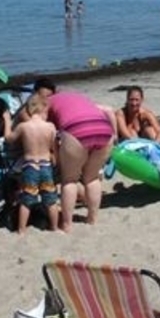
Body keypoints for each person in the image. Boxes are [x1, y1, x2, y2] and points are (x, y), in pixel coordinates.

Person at [39, 86, 116, 232]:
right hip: (104, 129)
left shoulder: (48, 102)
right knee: (92, 178)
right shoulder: (82, 98)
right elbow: (107, 111)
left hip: (77, 129)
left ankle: (67, 224)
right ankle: (92, 218)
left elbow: (45, 128)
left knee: (70, 180)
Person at [2, 93, 60, 234]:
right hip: (46, 166)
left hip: (30, 167)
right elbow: (54, 148)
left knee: (27, 199)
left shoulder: (24, 126)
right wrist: (56, 162)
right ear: (43, 109)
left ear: (29, 110)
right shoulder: (51, 127)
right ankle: (54, 227)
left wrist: (7, 122)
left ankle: (22, 230)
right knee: (51, 199)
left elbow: (9, 139)